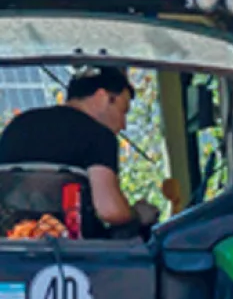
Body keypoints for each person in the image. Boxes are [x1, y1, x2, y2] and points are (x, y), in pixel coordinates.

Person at [0, 67, 160, 231]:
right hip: (74, 249)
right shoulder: (99, 136)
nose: (123, 124)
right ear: (102, 97)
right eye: (122, 111)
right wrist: (138, 214)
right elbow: (111, 211)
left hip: (14, 244)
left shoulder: (17, 126)